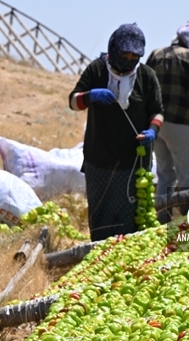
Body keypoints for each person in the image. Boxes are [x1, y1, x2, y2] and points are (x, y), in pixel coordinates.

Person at [69, 23, 163, 241]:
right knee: (101, 213)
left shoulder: (147, 76)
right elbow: (73, 102)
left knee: (128, 218)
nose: (129, 61)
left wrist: (152, 132)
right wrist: (90, 95)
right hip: (99, 157)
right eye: (125, 55)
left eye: (134, 57)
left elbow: (157, 112)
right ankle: (99, 259)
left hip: (133, 162)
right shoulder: (97, 70)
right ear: (113, 50)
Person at [145, 21, 189, 200]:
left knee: (165, 174)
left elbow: (144, 85)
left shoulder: (156, 54)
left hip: (155, 123)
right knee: (188, 174)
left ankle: (162, 219)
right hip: (179, 120)